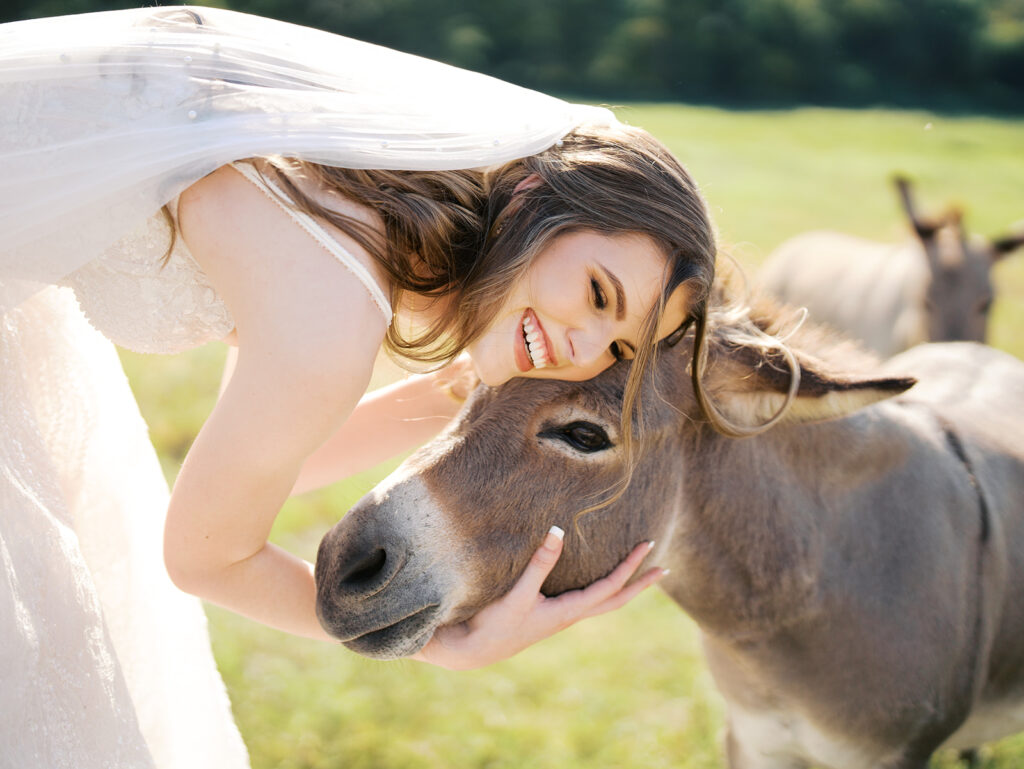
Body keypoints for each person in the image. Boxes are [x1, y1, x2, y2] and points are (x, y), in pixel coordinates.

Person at [0, 6, 716, 769]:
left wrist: (458, 389)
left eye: (617, 345)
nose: (580, 348)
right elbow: (204, 557)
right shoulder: (331, 317)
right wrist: (439, 641)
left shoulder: (360, 208)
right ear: (533, 194)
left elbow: (279, 460)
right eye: (600, 294)